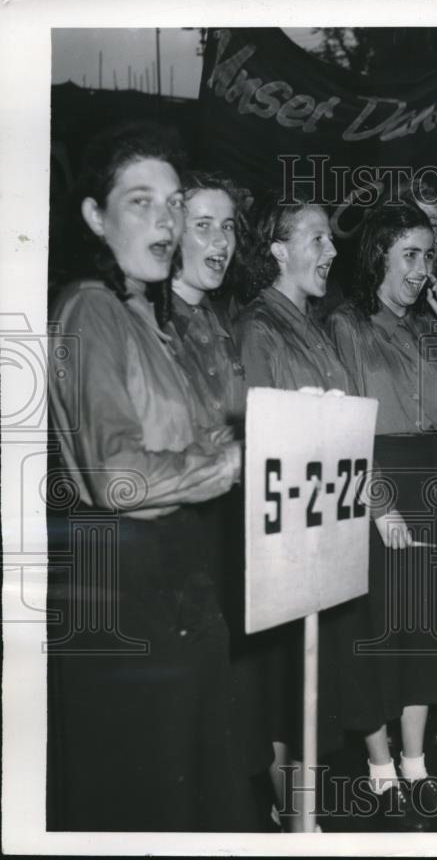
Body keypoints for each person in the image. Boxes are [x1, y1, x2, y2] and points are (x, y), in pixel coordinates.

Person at [46, 122, 254, 831]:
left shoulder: (142, 313)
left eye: (172, 205)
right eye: (141, 202)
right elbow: (117, 477)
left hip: (175, 582)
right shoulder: (90, 308)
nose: (165, 222)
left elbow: (194, 434)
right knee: (147, 801)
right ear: (94, 218)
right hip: (125, 589)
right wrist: (224, 463)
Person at [326, 201, 437, 825]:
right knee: (376, 629)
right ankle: (380, 765)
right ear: (378, 255)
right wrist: (379, 505)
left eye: (427, 255)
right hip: (375, 485)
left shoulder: (428, 326)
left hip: (425, 484)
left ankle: (415, 759)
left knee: (421, 628)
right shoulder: (348, 324)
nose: (421, 268)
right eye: (409, 254)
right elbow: (346, 425)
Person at [235, 193, 359, 831]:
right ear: (278, 249)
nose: (331, 250)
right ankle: (294, 821)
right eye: (317, 238)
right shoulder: (261, 325)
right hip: (288, 534)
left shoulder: (312, 319)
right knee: (287, 683)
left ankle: (304, 814)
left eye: (332, 240)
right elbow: (267, 442)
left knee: (310, 681)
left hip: (322, 527)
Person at [167, 172, 277, 824]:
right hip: (185, 539)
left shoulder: (216, 317)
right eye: (203, 224)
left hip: (232, 529)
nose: (220, 240)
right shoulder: (151, 323)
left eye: (227, 225)